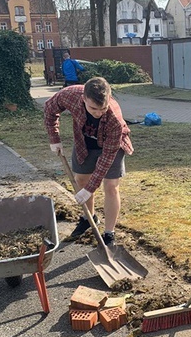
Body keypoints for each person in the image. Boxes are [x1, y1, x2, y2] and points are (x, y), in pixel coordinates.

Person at [45, 77, 133, 246]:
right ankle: (88, 218)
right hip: (84, 143)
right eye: (94, 108)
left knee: (111, 186)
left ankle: (109, 234)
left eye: (103, 108)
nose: (99, 113)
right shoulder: (70, 95)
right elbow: (50, 108)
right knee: (81, 180)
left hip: (111, 146)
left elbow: (106, 158)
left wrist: (90, 189)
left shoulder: (114, 118)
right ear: (84, 98)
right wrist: (54, 138)